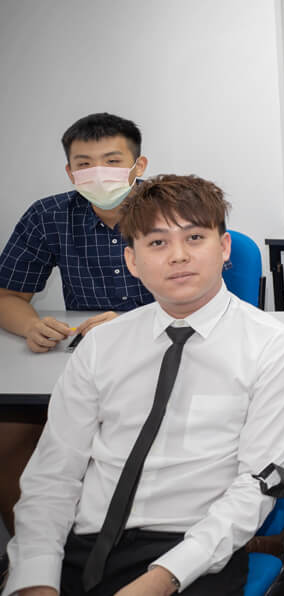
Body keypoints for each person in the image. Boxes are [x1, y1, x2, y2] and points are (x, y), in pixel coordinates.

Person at [4, 174, 284, 596]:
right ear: (132, 261)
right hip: (83, 543)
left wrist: (163, 579)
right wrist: (37, 578)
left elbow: (257, 483)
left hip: (193, 551)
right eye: (158, 242)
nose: (178, 256)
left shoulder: (270, 347)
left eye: (195, 237)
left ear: (223, 248)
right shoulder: (101, 346)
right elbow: (53, 475)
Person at [0, 113, 153, 534]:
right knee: (8, 439)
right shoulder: (49, 215)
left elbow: (205, 297)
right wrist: (31, 326)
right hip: (84, 361)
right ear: (70, 172)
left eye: (112, 161)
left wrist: (130, 324)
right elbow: (8, 296)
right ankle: (37, 548)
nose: (98, 173)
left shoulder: (173, 209)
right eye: (84, 164)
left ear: (138, 165)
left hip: (163, 349)